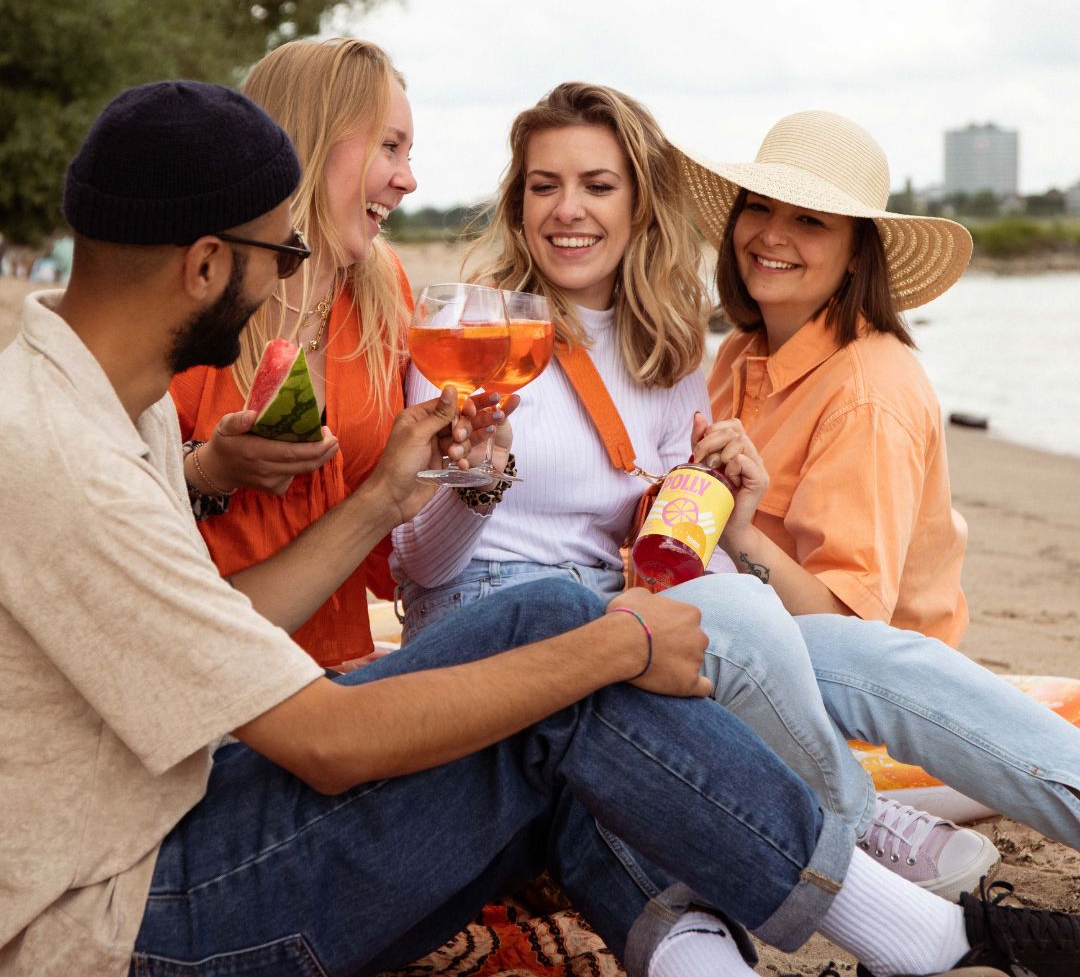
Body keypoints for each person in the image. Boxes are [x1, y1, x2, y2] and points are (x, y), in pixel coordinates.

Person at [4, 83, 1075, 977]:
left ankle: (896, 926)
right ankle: (913, 927)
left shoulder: (108, 396)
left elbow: (224, 626)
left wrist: (385, 498)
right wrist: (614, 638)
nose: (293, 282)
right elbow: (324, 743)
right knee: (574, 651)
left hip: (164, 817)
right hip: (119, 910)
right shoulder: (57, 453)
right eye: (283, 257)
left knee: (622, 650)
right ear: (201, 266)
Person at [391, 87, 1080, 899]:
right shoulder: (511, 336)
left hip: (693, 618)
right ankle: (857, 824)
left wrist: (730, 536)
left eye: (599, 185)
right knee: (762, 624)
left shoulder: (683, 351)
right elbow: (421, 563)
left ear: (640, 203)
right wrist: (482, 481)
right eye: (545, 185)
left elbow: (709, 552)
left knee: (849, 648)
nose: (568, 209)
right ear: (518, 201)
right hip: (540, 618)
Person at [169, 37, 423, 667]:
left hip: (339, 667)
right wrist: (212, 471)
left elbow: (390, 533)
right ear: (307, 142)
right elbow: (98, 492)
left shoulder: (384, 290)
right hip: (201, 663)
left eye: (409, 153)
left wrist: (475, 477)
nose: (408, 179)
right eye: (388, 146)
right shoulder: (194, 289)